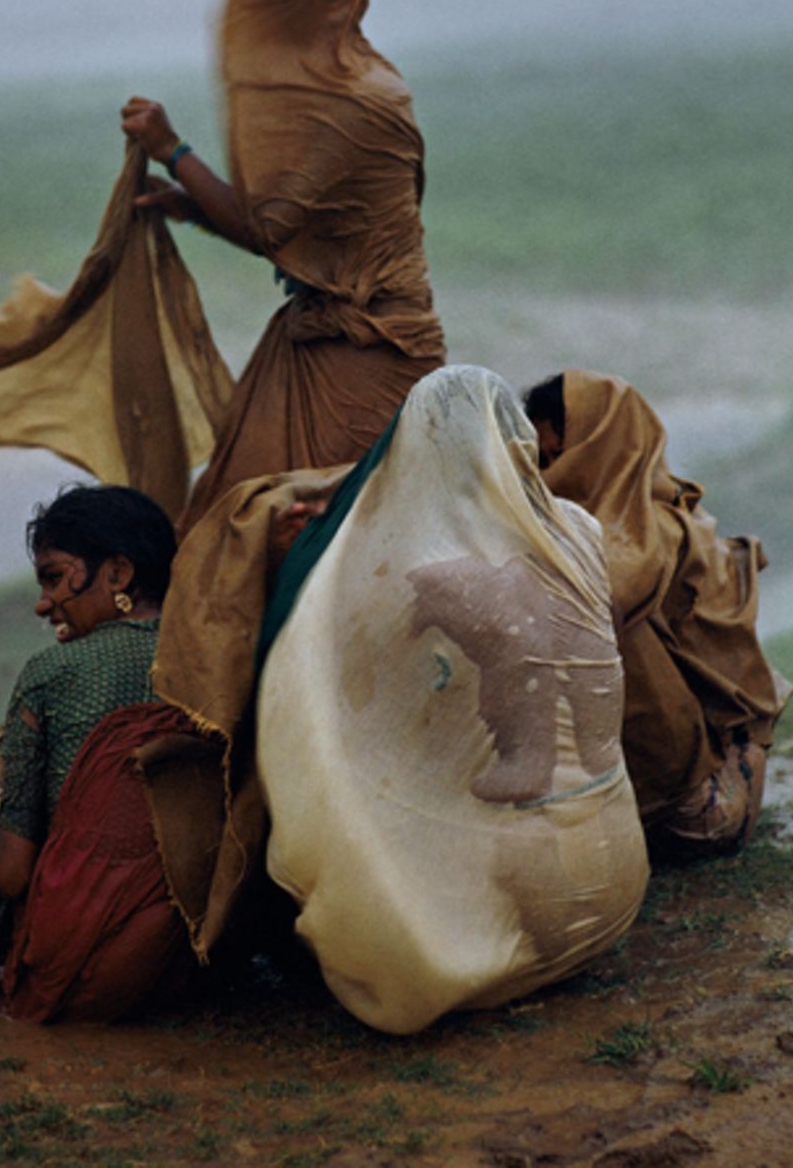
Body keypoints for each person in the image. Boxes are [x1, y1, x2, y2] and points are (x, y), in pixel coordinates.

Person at [254, 366, 648, 1034]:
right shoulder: (581, 532)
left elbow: (326, 670)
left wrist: (309, 556)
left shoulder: (426, 577)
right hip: (618, 889)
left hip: (526, 902)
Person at [121, 0, 445, 534]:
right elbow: (287, 232)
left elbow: (272, 228)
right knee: (228, 527)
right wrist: (195, 209)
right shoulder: (338, 84)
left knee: (329, 539)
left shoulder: (358, 101)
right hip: (313, 340)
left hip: (369, 355)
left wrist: (173, 151)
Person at [0, 484, 197, 1022]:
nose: (42, 604)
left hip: (76, 964)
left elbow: (9, 876)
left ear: (118, 575)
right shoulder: (217, 655)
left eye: (54, 578)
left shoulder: (49, 675)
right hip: (201, 950)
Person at [523, 370, 791, 858]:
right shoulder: (616, 524)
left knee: (591, 622)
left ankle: (735, 763)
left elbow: (603, 595)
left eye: (557, 457)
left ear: (598, 444)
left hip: (696, 813)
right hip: (644, 798)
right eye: (540, 459)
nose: (544, 475)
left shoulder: (648, 530)